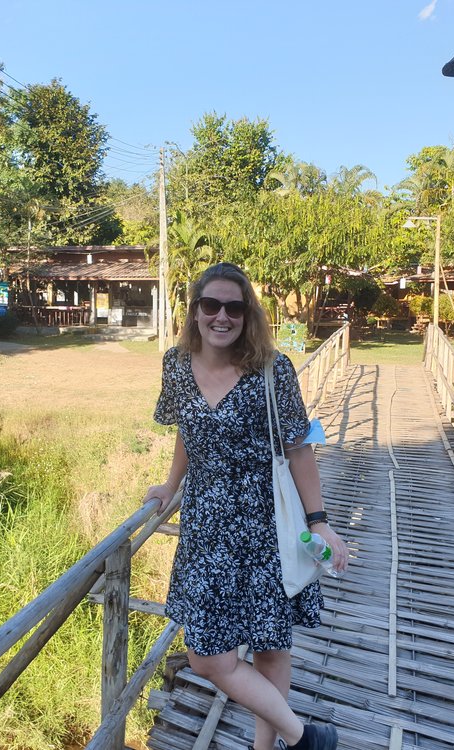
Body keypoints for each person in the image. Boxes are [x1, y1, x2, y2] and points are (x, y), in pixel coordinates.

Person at [144, 262, 347, 750]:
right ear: (194, 311)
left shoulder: (271, 369)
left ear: (247, 314)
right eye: (210, 305)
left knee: (271, 649)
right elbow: (186, 434)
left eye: (234, 307)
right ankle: (304, 740)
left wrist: (320, 523)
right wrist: (170, 486)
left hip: (265, 526)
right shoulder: (175, 364)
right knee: (208, 657)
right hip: (206, 530)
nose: (221, 316)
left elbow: (298, 447)